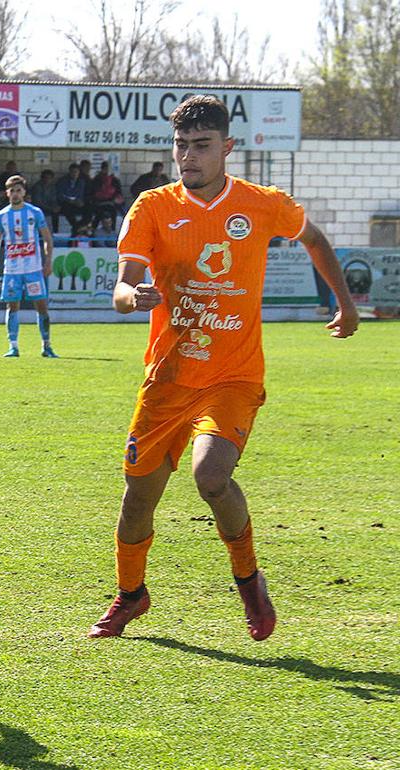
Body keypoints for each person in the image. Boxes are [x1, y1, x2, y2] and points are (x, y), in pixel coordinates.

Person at [90, 95, 360, 642]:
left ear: (227, 149)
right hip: (167, 378)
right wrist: (129, 297)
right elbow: (123, 282)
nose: (189, 156)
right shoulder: (152, 207)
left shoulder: (262, 204)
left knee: (210, 476)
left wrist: (346, 301)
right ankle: (131, 595)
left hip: (233, 375)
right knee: (138, 498)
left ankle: (248, 580)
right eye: (181, 146)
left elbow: (313, 238)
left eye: (202, 146)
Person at [0, 175, 56, 358]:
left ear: (24, 192)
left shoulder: (35, 213)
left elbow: (47, 238)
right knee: (12, 306)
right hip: (12, 270)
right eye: (12, 191)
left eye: (18, 190)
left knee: (41, 307)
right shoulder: (1, 216)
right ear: (7, 193)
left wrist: (48, 261)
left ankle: (46, 346)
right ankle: (13, 346)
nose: (15, 194)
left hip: (33, 269)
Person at [87, 162, 123, 234]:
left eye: (108, 169)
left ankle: (111, 232)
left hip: (112, 203)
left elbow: (119, 193)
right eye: (105, 169)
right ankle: (93, 232)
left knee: (113, 211)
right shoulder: (96, 179)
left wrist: (117, 198)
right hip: (99, 202)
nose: (107, 171)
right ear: (102, 169)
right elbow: (93, 193)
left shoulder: (115, 180)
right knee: (99, 213)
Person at [56, 164, 88, 235]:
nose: (74, 174)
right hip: (66, 202)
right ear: (69, 172)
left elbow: (81, 194)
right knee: (66, 208)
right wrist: (70, 200)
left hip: (77, 203)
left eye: (76, 172)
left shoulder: (81, 182)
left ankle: (81, 225)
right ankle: (75, 226)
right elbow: (60, 195)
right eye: (73, 172)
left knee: (89, 208)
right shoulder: (62, 181)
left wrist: (79, 201)